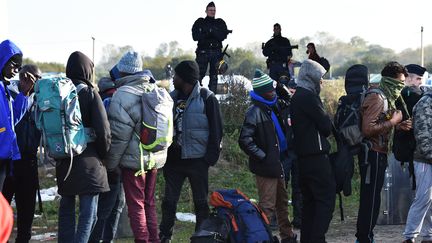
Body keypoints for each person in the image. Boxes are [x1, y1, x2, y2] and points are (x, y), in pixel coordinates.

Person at [159, 60, 223, 243]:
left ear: (185, 78)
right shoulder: (170, 98)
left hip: (197, 161)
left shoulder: (207, 98)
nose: (173, 78)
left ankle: (201, 238)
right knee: (169, 202)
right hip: (173, 162)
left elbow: (217, 131)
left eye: (176, 75)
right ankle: (164, 236)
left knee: (201, 204)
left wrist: (208, 160)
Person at [106, 50, 163, 243]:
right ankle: (154, 240)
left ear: (124, 73)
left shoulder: (123, 95)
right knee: (149, 204)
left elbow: (119, 137)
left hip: (134, 162)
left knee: (136, 206)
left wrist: (111, 164)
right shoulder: (153, 89)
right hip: (154, 159)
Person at [57, 51, 111, 243]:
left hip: (65, 160)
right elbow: (103, 130)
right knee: (89, 213)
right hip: (89, 161)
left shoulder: (59, 93)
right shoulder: (89, 93)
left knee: (66, 210)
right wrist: (105, 155)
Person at [238, 69, 297, 243]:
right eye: (269, 90)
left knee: (282, 203)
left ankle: (287, 236)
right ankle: (262, 238)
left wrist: (280, 87)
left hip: (279, 163)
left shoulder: (275, 104)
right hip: (266, 166)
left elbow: (290, 102)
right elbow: (244, 140)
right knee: (267, 206)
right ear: (261, 92)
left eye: (272, 89)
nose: (272, 92)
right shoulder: (254, 111)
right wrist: (263, 156)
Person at [355, 61, 406, 243]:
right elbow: (368, 129)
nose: (401, 86)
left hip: (379, 152)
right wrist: (393, 122)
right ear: (390, 80)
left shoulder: (387, 97)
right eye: (399, 82)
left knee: (374, 199)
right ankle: (364, 238)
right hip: (372, 154)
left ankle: (366, 236)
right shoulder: (377, 97)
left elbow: (379, 124)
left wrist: (397, 125)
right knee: (370, 200)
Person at [290, 59, 335, 243]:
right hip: (316, 157)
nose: (322, 83)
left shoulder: (297, 96)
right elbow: (325, 126)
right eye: (320, 78)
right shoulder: (308, 97)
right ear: (311, 78)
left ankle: (307, 238)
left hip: (302, 158)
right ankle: (317, 238)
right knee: (326, 199)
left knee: (309, 203)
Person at [2, 64, 42, 243]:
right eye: (31, 77)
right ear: (22, 76)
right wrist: (23, 94)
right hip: (8, 164)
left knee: (26, 218)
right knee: (2, 212)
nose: (34, 82)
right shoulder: (7, 94)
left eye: (38, 79)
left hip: (29, 164)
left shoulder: (42, 100)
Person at [89, 72, 125, 243]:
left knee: (103, 209)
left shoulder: (96, 101)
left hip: (100, 164)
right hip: (115, 165)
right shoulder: (114, 101)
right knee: (112, 208)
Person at [0, 40, 35, 191]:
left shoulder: (4, 88)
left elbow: (12, 120)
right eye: (14, 64)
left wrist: (24, 94)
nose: (16, 70)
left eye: (19, 67)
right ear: (3, 60)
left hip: (5, 157)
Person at [402, 78, 432, 243]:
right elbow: (422, 135)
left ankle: (428, 235)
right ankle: (410, 236)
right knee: (423, 198)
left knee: (429, 200)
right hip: (424, 159)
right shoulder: (425, 104)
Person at [192, 1, 231, 93]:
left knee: (214, 77)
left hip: (216, 52)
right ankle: (195, 96)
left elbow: (222, 36)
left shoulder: (220, 22)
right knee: (198, 76)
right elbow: (195, 37)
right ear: (206, 11)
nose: (212, 12)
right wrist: (209, 32)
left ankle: (212, 98)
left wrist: (210, 31)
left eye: (214, 10)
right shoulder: (200, 22)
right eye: (210, 10)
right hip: (203, 52)